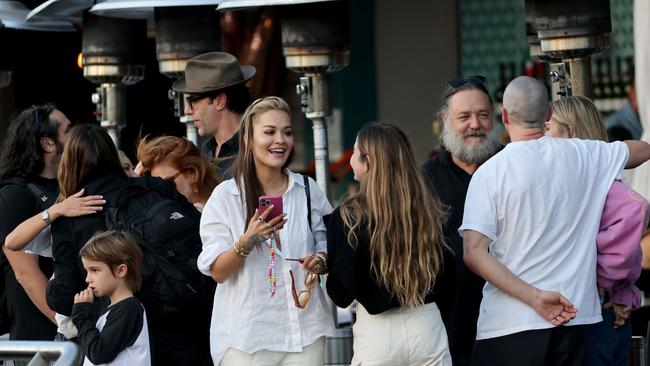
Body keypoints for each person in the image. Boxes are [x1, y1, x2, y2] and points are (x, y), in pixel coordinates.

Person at [461, 76, 650, 366]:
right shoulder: (585, 154)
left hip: (507, 325)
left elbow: (474, 254)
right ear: (549, 113)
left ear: (505, 116)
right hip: (574, 321)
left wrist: (534, 297)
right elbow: (640, 150)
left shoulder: (489, 173)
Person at [46, 123, 212, 366]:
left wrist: (50, 290)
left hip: (122, 336)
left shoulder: (71, 216)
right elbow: (203, 235)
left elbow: (63, 296)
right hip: (190, 324)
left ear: (68, 164)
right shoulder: (156, 187)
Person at [198, 96, 335, 365]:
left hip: (305, 331)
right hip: (248, 336)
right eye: (269, 132)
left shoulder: (307, 190)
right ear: (248, 138)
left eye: (287, 132)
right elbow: (217, 271)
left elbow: (327, 243)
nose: (280, 140)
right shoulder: (226, 196)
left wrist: (320, 259)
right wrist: (248, 239)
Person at [327, 122, 452, 365]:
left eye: (354, 153)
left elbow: (340, 295)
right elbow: (448, 281)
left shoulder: (348, 217)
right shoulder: (429, 211)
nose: (351, 159)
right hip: (427, 324)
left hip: (378, 334)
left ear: (368, 161)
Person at [545, 95, 648, 366]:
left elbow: (634, 209)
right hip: (605, 314)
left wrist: (604, 283)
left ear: (570, 133)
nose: (542, 136)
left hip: (596, 318)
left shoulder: (596, 182)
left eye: (548, 128)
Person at [422, 75, 500, 366]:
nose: (475, 125)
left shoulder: (513, 168)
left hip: (510, 323)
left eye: (482, 115)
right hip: (446, 330)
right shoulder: (423, 181)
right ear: (445, 119)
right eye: (464, 116)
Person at [0, 104, 73, 341]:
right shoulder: (15, 194)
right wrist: (70, 328)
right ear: (48, 144)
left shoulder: (70, 184)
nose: (76, 136)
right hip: (42, 336)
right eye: (68, 131)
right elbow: (26, 273)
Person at [72, 230, 150, 366]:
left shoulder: (129, 309)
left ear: (121, 270)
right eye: (87, 271)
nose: (87, 278)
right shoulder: (114, 309)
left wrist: (82, 315)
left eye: (95, 270)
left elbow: (98, 353)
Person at [173, 52, 255, 178]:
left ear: (220, 101)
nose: (187, 111)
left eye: (192, 101)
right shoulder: (207, 149)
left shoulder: (255, 149)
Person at [135, 135, 219, 211]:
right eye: (157, 187)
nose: (162, 192)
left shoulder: (224, 211)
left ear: (192, 173)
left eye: (167, 183)